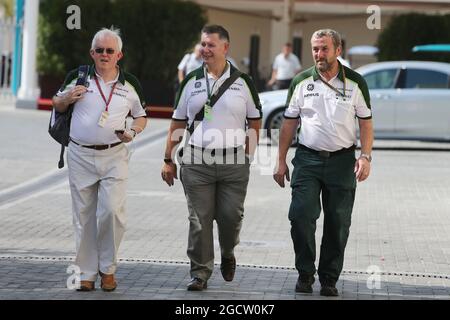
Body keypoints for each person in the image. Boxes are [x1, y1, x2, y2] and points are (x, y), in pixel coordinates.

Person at [161, 25, 262, 291]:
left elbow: (255, 121)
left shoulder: (243, 82)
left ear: (225, 47)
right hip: (196, 161)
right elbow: (176, 124)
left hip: (233, 162)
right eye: (203, 44)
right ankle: (200, 272)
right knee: (199, 219)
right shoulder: (191, 81)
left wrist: (248, 156)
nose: (205, 50)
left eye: (211, 45)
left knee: (231, 217)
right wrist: (168, 160)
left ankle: (228, 252)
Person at [273, 29, 373, 297]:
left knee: (338, 222)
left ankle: (329, 278)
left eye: (324, 49)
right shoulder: (301, 81)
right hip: (307, 159)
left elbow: (366, 122)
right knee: (301, 215)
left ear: (337, 50)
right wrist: (280, 161)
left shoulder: (355, 82)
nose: (318, 54)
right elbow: (289, 123)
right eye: (315, 48)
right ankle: (305, 273)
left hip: (342, 162)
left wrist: (365, 156)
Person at [52, 27, 147, 292]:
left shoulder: (130, 85)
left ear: (119, 55)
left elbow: (141, 116)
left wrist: (133, 131)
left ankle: (108, 269)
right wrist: (68, 97)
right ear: (92, 53)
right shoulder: (78, 77)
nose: (105, 55)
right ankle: (86, 273)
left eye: (110, 51)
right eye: (100, 50)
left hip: (115, 154)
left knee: (111, 212)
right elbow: (56, 104)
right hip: (80, 154)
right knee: (83, 215)